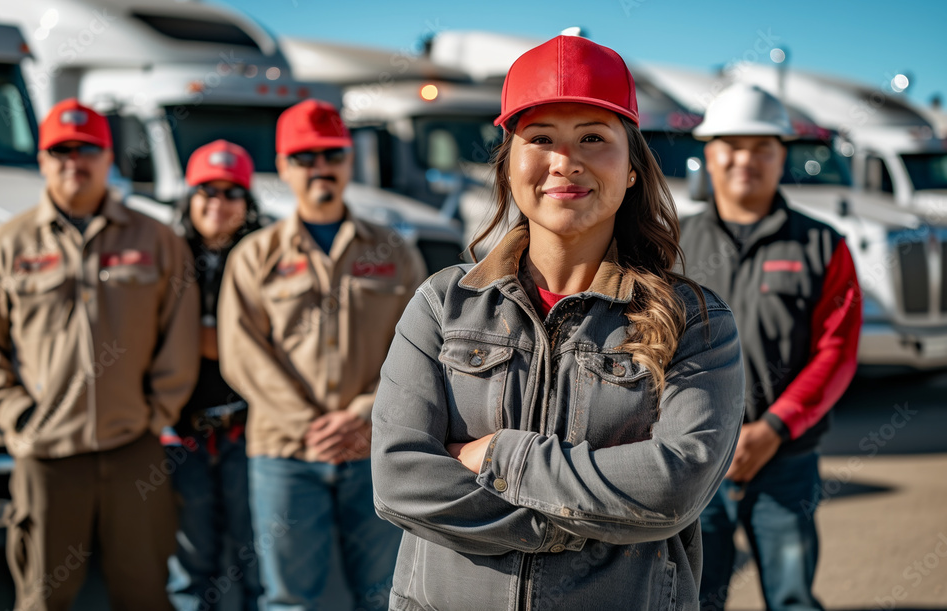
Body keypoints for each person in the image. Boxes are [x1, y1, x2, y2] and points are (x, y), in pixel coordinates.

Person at [370, 35, 746, 611]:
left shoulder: (694, 321)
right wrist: (567, 527)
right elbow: (399, 478)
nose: (564, 161)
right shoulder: (443, 304)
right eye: (541, 138)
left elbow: (674, 486)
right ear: (508, 165)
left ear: (632, 169)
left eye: (593, 138)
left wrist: (504, 457)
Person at [0, 98, 200, 611]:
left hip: (133, 448)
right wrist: (16, 413)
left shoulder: (155, 240)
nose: (74, 162)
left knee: (144, 594)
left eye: (87, 149)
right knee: (44, 597)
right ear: (42, 160)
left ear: (108, 158)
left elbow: (179, 332)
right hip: (46, 454)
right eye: (60, 151)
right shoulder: (6, 245)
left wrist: (157, 411)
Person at [217, 99, 427, 611]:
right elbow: (242, 353)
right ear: (283, 166)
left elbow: (421, 348)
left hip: (373, 447)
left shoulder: (394, 252)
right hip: (286, 453)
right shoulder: (255, 256)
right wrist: (310, 424)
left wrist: (363, 412)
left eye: (332, 155)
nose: (320, 168)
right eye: (305, 157)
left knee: (385, 596)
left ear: (349, 161)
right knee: (291, 601)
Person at [679, 84, 862, 611]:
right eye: (732, 146)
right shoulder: (670, 244)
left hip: (785, 460)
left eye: (762, 147)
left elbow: (836, 352)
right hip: (692, 459)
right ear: (709, 153)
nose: (746, 160)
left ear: (782, 156)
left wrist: (774, 429)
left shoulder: (822, 245)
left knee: (791, 599)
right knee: (694, 599)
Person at [165, 140, 264, 611]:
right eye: (207, 191)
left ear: (248, 202)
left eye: (232, 192)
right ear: (189, 197)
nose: (218, 203)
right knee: (191, 561)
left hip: (250, 426)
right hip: (182, 430)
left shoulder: (266, 255)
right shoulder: (168, 254)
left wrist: (207, 338)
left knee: (255, 559)